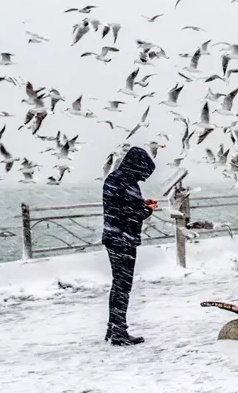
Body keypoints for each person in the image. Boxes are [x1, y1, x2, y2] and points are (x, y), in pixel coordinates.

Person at [102, 147, 156, 346]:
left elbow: (121, 205)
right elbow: (132, 213)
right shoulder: (127, 181)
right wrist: (147, 209)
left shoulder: (114, 178)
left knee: (118, 284)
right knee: (123, 286)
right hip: (123, 239)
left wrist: (140, 203)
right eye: (143, 173)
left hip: (112, 237)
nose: (143, 178)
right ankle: (119, 332)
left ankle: (113, 327)